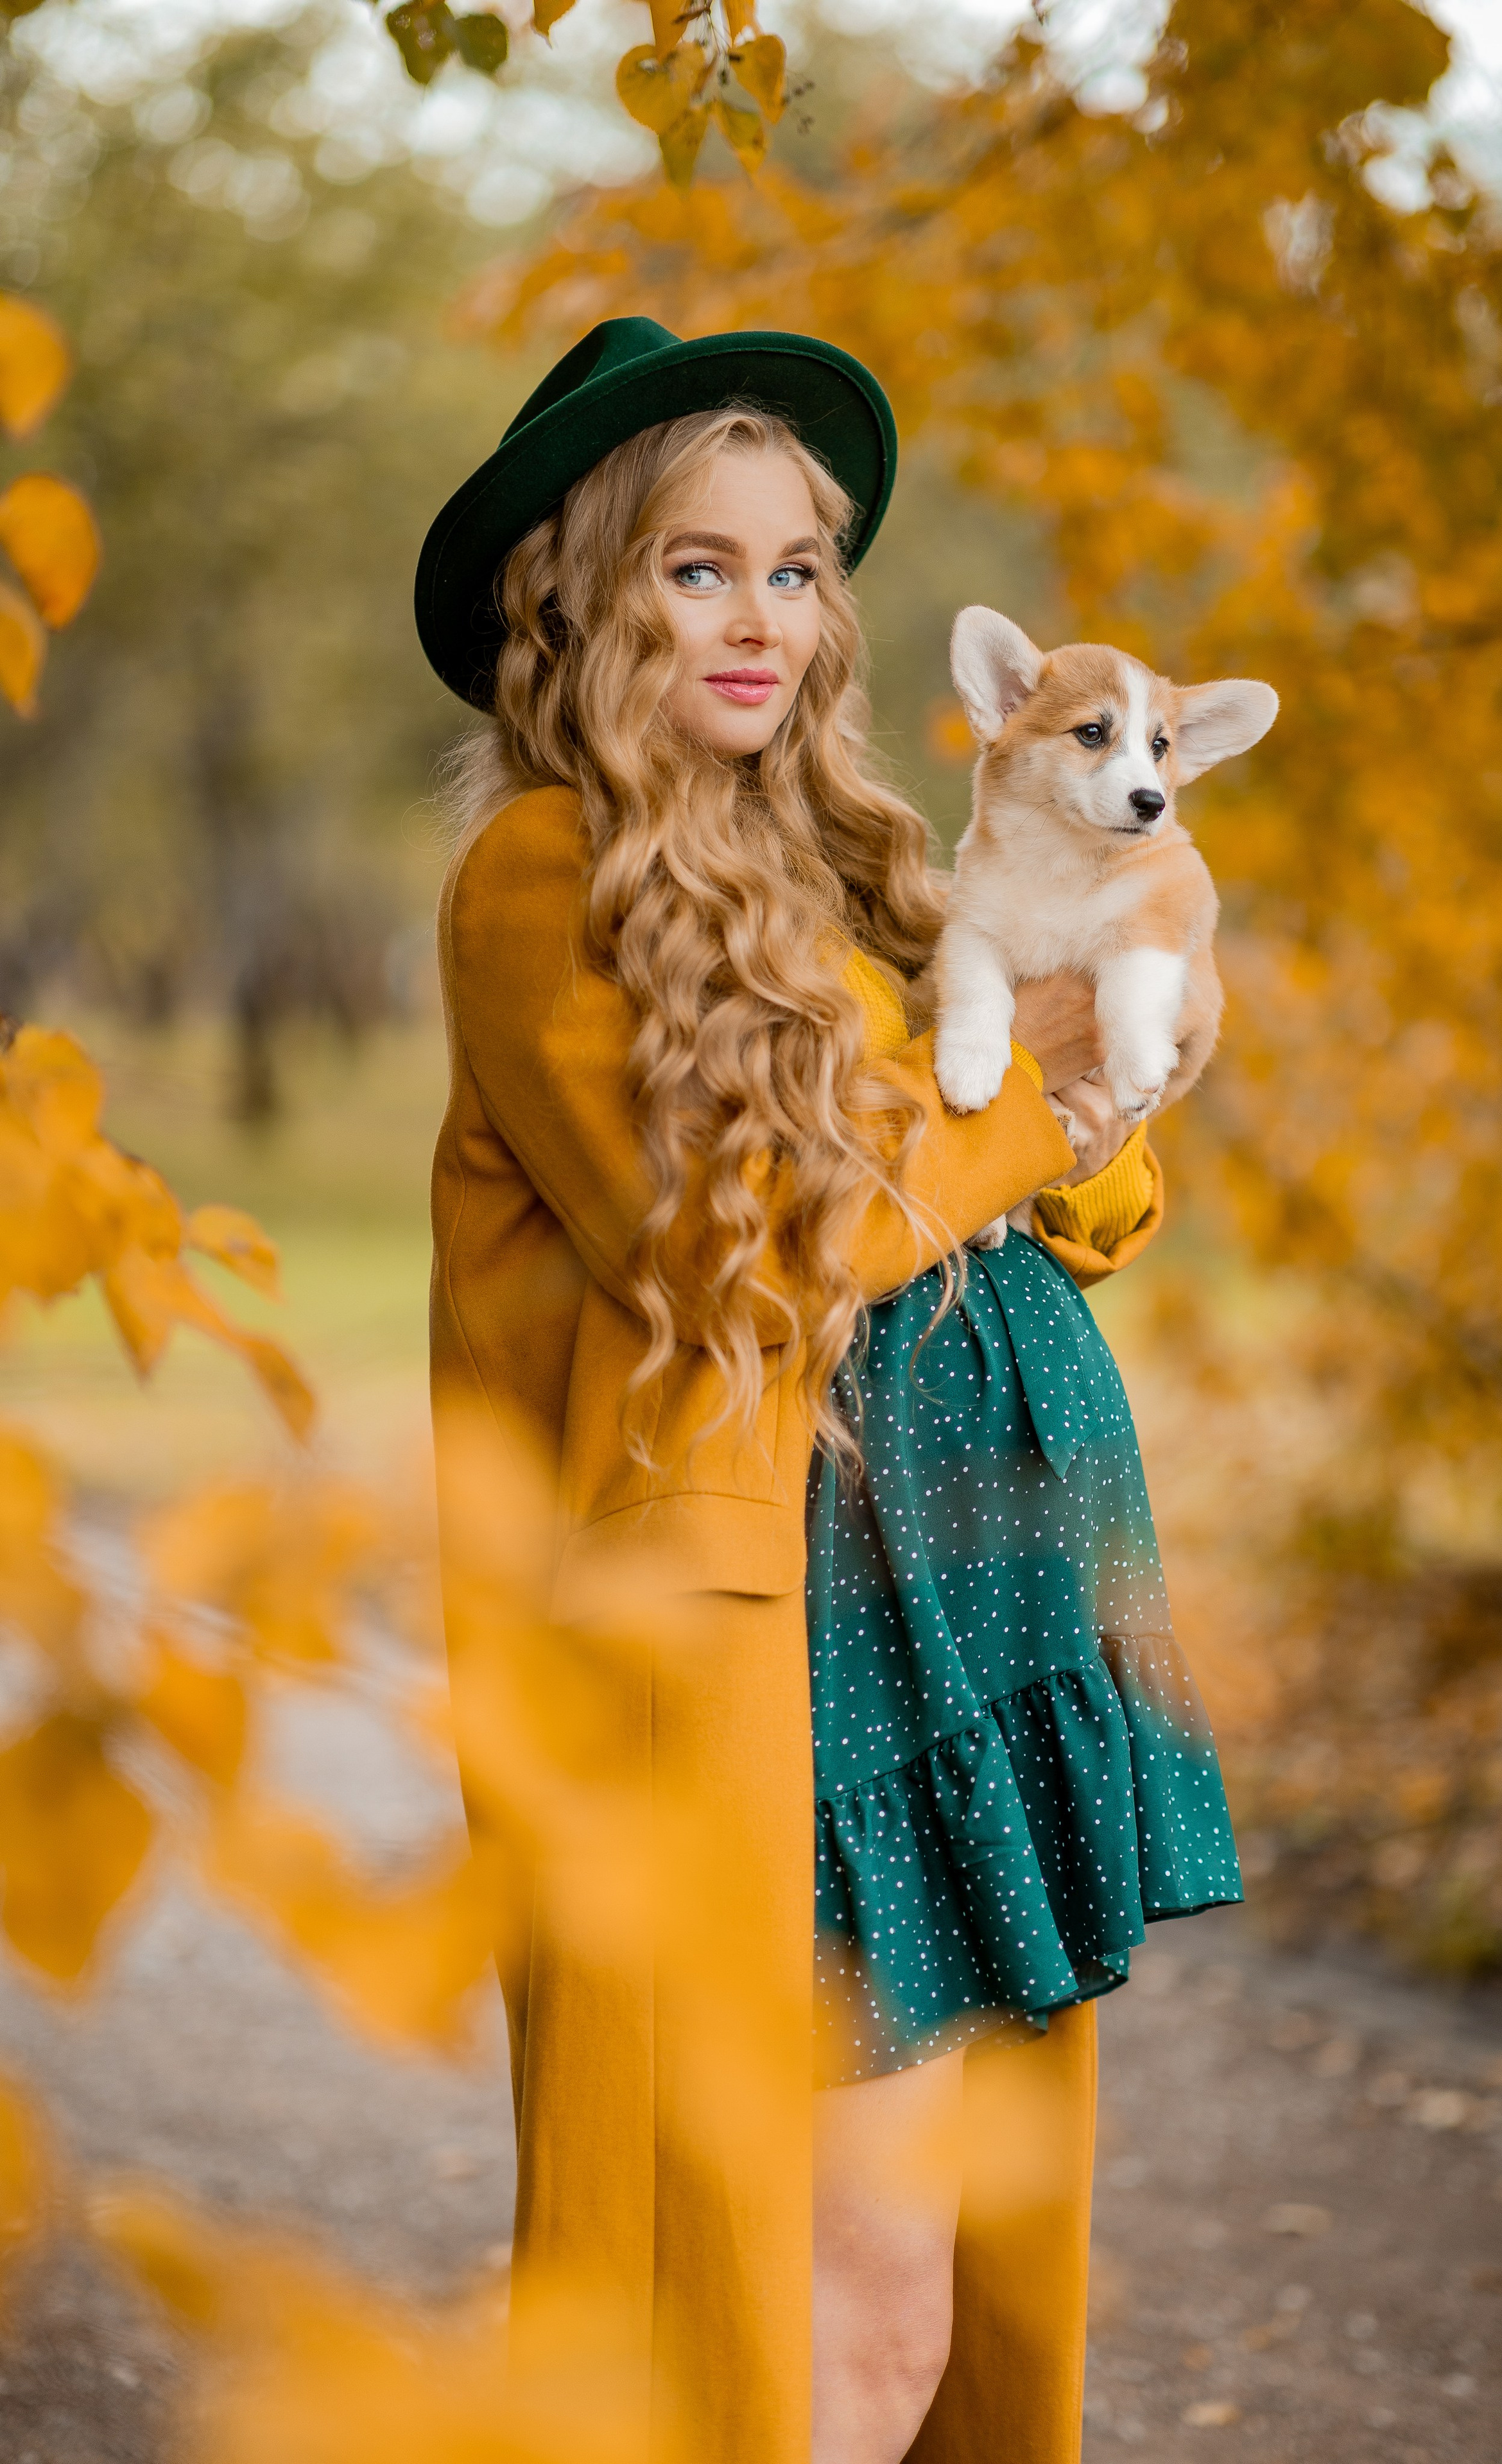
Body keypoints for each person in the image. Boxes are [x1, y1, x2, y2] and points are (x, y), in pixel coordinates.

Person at [417, 318, 1241, 2464]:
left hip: (970, 1606)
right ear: (582, 596)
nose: (765, 617)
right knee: (824, 2333)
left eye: (799, 567)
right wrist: (1036, 1097)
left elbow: (1075, 1193)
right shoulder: (539, 883)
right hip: (784, 1650)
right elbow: (745, 1258)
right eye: (699, 568)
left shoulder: (876, 853)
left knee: (928, 2314)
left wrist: (1112, 1069)